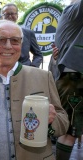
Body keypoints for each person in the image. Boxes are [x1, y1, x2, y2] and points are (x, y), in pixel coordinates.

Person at [0, 20, 69, 159]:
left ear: (21, 45)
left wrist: (51, 120)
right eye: (0, 40)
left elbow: (63, 123)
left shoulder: (43, 77)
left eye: (15, 41)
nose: (8, 46)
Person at [48, 0, 83, 159]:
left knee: (70, 130)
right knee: (69, 132)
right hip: (74, 78)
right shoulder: (75, 10)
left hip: (71, 77)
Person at [1, 3, 43, 68]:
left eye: (12, 14)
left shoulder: (28, 33)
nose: (10, 16)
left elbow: (38, 55)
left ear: (17, 16)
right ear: (2, 17)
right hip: (4, 72)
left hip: (25, 71)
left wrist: (32, 68)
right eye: (7, 14)